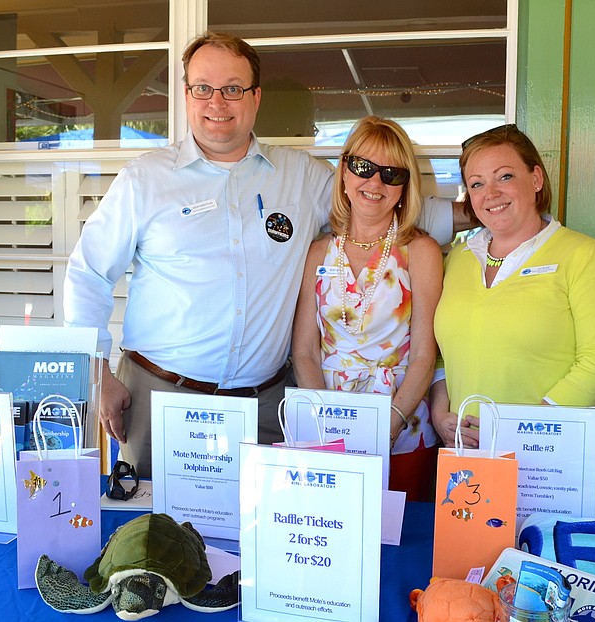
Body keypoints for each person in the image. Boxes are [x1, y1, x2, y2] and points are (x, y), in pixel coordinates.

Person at [63, 32, 456, 478]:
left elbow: (378, 201)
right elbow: (88, 273)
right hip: (160, 399)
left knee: (265, 536)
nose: (218, 101)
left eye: (233, 88)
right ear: (187, 94)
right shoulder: (145, 180)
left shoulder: (300, 177)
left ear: (255, 97)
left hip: (265, 409)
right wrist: (97, 373)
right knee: (151, 536)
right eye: (203, 88)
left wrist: (484, 210)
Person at [430, 124, 595, 477]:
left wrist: (524, 430)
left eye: (504, 176)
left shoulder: (584, 256)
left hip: (553, 461)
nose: (490, 193)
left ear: (536, 178)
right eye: (476, 183)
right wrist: (441, 414)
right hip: (471, 455)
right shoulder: (459, 258)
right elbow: (445, 354)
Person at [291, 116, 442, 501]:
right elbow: (305, 350)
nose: (374, 183)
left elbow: (426, 352)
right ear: (343, 172)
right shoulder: (318, 252)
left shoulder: (420, 252)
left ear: (405, 187)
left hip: (402, 427)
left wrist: (390, 424)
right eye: (363, 167)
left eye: (391, 174)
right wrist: (323, 422)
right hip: (327, 424)